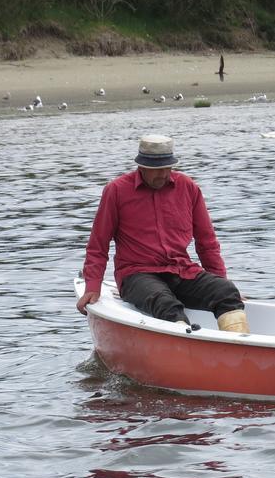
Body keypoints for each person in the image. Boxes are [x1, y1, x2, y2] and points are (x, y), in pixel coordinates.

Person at [76, 134, 248, 333]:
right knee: (165, 303)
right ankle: (183, 349)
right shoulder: (116, 191)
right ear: (142, 166)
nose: (164, 174)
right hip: (136, 274)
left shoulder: (188, 187)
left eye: (168, 167)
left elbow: (206, 242)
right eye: (157, 170)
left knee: (226, 292)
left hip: (181, 269)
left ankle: (238, 347)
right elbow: (99, 244)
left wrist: (220, 280)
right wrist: (93, 286)